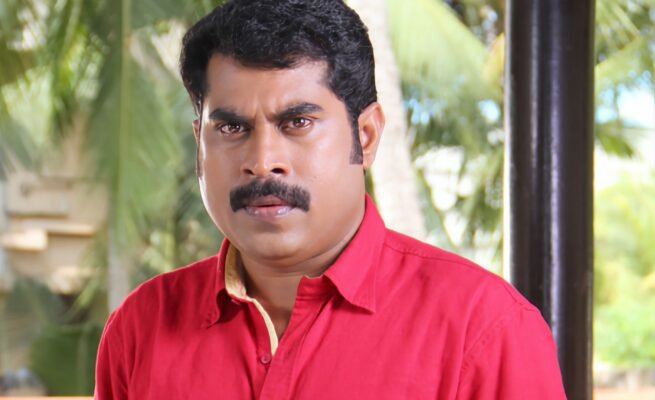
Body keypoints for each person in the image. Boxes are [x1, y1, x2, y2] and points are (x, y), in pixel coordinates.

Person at [94, 0, 567, 398]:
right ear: (200, 142)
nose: (262, 161)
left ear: (366, 136)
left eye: (297, 123)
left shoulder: (484, 331)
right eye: (233, 127)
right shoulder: (140, 328)